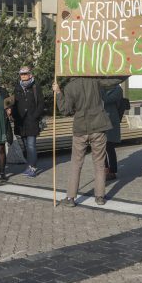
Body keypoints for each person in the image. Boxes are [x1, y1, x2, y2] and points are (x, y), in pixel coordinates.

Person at [53, 76, 126, 206]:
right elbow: (114, 81)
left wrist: (58, 92)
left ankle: (70, 198)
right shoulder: (94, 81)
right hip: (99, 126)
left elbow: (65, 110)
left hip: (80, 128)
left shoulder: (70, 87)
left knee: (76, 164)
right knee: (99, 164)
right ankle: (99, 197)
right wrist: (129, 70)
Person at [11, 66, 44, 178]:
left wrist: (35, 116)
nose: (23, 76)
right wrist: (14, 115)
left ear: (30, 74)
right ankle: (29, 166)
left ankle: (33, 167)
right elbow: (14, 104)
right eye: (21, 74)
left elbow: (41, 104)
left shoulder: (35, 87)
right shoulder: (17, 87)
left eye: (25, 73)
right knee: (26, 145)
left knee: (31, 145)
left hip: (32, 122)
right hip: (21, 122)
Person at [101, 83, 127, 182]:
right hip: (100, 120)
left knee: (109, 146)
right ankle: (105, 169)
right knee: (101, 146)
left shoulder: (118, 89)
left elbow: (107, 100)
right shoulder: (102, 87)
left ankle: (112, 171)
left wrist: (99, 90)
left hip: (111, 121)